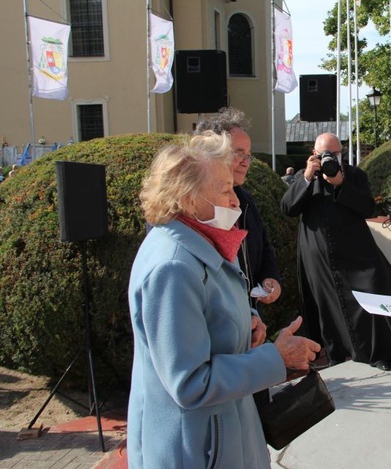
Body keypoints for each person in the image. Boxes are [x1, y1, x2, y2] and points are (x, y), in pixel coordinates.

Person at [127, 131, 320, 467]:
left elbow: (211, 308)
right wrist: (277, 358)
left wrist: (245, 319)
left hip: (220, 438)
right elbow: (190, 383)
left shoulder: (200, 242)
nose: (236, 201)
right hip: (195, 451)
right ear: (188, 199)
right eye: (225, 189)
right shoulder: (172, 266)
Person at [280, 133, 391, 371]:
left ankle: (378, 353)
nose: (331, 158)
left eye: (336, 153)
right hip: (319, 256)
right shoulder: (305, 176)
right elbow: (288, 207)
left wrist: (341, 184)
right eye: (324, 154)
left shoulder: (354, 175)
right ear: (314, 155)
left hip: (356, 251)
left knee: (376, 287)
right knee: (327, 306)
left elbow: (369, 208)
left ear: (342, 153)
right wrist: (308, 177)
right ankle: (336, 355)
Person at [196, 108, 281, 306]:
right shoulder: (196, 210)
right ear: (214, 153)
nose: (246, 163)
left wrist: (270, 279)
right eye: (238, 153)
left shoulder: (247, 201)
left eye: (249, 155)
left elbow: (264, 247)